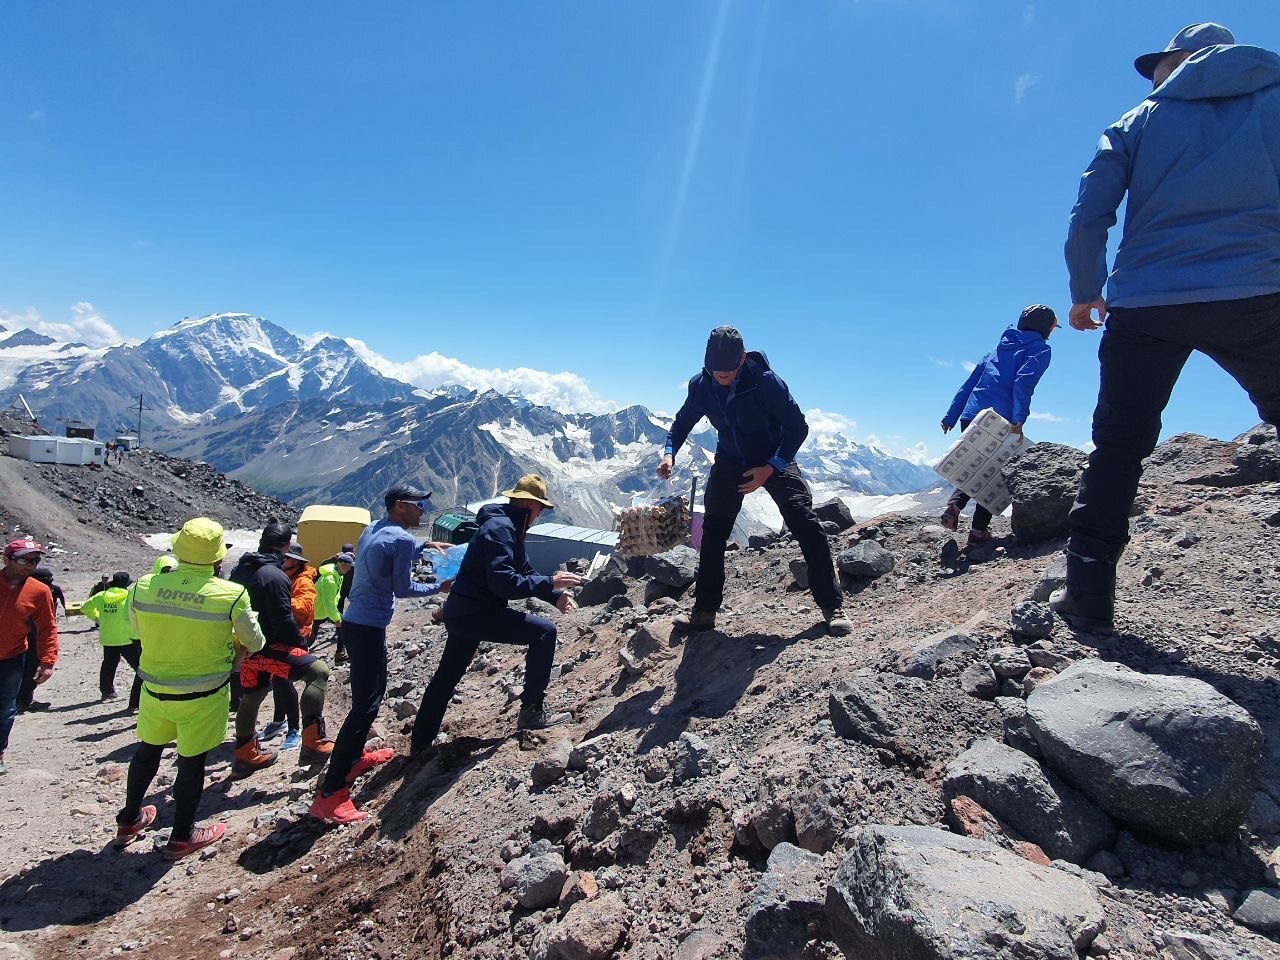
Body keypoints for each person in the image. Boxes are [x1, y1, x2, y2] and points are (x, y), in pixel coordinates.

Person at [1056, 22, 1280, 632]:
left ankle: (1088, 592)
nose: (1155, 73)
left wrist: (1085, 293)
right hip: (1258, 291)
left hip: (1147, 300)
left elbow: (1089, 216)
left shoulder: (1136, 121)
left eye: (1160, 63)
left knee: (1119, 446)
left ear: (1181, 61)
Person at [658, 326, 851, 636]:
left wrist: (771, 467)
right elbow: (681, 423)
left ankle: (832, 606)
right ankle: (704, 612)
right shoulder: (701, 385)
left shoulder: (766, 382)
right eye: (714, 370)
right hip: (730, 460)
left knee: (805, 523)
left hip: (774, 456)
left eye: (728, 370)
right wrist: (670, 453)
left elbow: (797, 427)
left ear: (743, 358)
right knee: (713, 534)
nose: (721, 376)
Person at [113, 517, 264, 857]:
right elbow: (255, 640)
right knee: (191, 762)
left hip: (154, 688)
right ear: (218, 558)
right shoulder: (231, 594)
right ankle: (182, 835)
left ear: (178, 549)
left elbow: (135, 632)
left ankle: (129, 818)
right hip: (203, 694)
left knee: (147, 750)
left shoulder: (143, 586)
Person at [410, 475, 581, 759]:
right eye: (540, 508)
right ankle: (532, 712)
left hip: (464, 611)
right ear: (529, 504)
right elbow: (505, 583)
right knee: (544, 632)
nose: (540, 515)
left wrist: (554, 595)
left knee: (446, 678)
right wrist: (551, 581)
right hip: (477, 613)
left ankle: (420, 744)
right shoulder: (502, 529)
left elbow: (523, 570)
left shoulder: (508, 525)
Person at [310, 485, 451, 824]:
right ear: (400, 507)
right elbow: (404, 587)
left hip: (355, 622)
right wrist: (442, 585)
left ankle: (356, 756)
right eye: (418, 505)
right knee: (365, 706)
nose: (422, 511)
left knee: (368, 695)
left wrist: (425, 547)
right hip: (370, 626)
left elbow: (386, 551)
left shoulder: (374, 527)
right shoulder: (401, 540)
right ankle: (331, 793)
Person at [939, 305, 1057, 547]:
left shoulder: (996, 349)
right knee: (997, 474)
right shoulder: (1040, 349)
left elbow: (968, 384)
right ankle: (978, 532)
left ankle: (954, 506)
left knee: (977, 466)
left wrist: (950, 417)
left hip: (972, 415)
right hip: (1001, 419)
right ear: (1046, 327)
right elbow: (1024, 383)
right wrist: (1019, 418)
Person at [229, 524, 333, 775]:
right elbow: (283, 619)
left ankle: (245, 754)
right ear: (286, 547)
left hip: (243, 646)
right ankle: (313, 743)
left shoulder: (240, 569)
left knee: (253, 695)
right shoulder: (275, 576)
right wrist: (299, 644)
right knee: (318, 672)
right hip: (269, 645)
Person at [0, 539, 57, 775]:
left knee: (5, 710)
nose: (30, 565)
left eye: (35, 561)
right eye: (24, 560)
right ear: (6, 560)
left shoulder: (39, 591)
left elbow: (47, 628)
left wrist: (47, 661)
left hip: (12, 658)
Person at [260, 542, 319, 750]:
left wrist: (281, 601)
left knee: (283, 679)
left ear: (294, 561)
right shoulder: (286, 577)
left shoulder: (303, 581)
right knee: (278, 678)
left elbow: (306, 607)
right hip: (283, 633)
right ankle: (278, 721)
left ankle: (294, 728)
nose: (281, 560)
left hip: (298, 635)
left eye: (285, 557)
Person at [81, 571, 142, 709]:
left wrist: (97, 618)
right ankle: (137, 698)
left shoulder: (102, 596)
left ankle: (107, 691)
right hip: (127, 637)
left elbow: (85, 608)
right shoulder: (128, 596)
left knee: (109, 664)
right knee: (140, 667)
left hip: (108, 637)